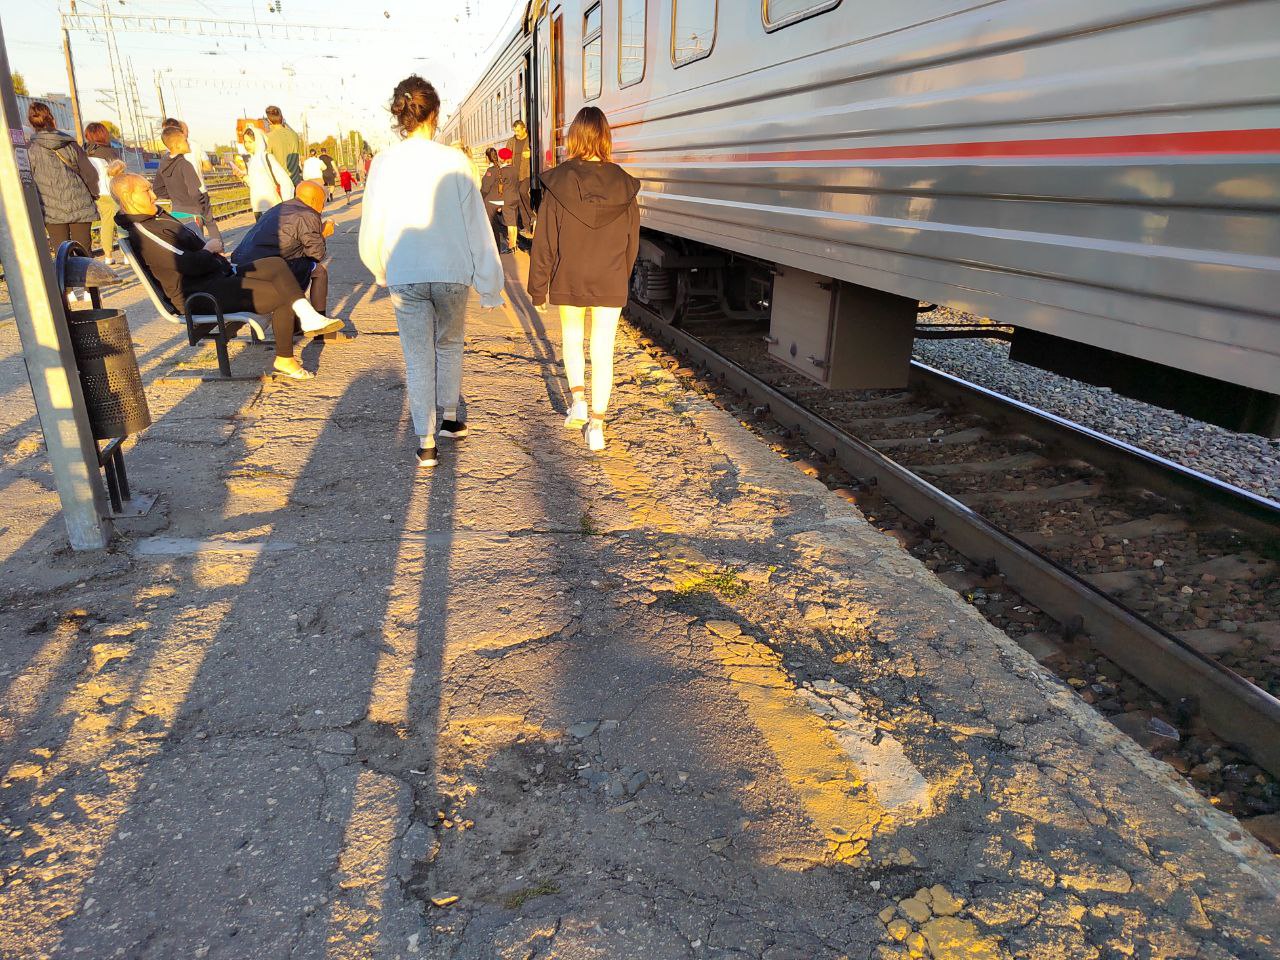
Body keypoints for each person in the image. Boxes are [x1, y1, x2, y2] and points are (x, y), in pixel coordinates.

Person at [358, 74, 504, 469]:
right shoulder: (455, 161)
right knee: (450, 343)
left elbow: (373, 222)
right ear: (434, 114)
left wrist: (380, 267)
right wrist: (490, 284)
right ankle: (451, 419)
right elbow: (477, 224)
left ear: (400, 114)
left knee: (417, 355)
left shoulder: (384, 162)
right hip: (453, 271)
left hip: (406, 271)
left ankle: (425, 443)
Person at [113, 173, 341, 379]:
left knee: (275, 264)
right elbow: (187, 264)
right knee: (282, 294)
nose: (154, 195)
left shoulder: (155, 218)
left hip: (217, 276)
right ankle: (285, 359)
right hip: (200, 293)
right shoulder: (143, 230)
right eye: (146, 191)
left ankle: (306, 315)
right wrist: (208, 249)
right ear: (127, 196)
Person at [527, 107, 640, 453]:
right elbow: (632, 241)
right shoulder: (624, 183)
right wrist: (620, 276)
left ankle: (577, 400)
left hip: (569, 275)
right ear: (605, 137)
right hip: (609, 278)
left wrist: (538, 287)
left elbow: (545, 240)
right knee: (603, 350)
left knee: (573, 338)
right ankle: (597, 426)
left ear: (574, 137)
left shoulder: (559, 182)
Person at [231, 180, 333, 317]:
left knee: (297, 262)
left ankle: (296, 324)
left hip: (242, 264)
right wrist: (323, 233)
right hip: (264, 268)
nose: (323, 208)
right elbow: (317, 255)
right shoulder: (309, 214)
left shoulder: (279, 207)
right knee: (318, 271)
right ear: (314, 200)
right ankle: (320, 326)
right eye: (323, 202)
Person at [26, 101, 98, 256]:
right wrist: (94, 194)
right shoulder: (69, 144)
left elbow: (27, 182)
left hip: (50, 209)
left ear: (31, 123)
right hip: (80, 203)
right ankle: (88, 279)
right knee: (84, 252)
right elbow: (90, 173)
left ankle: (65, 280)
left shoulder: (30, 151)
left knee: (62, 255)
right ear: (52, 119)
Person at [152, 126, 222, 244]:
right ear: (177, 145)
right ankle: (220, 253)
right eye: (185, 141)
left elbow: (157, 189)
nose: (188, 143)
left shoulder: (163, 164)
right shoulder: (185, 165)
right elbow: (195, 192)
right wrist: (200, 207)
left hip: (176, 212)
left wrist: (176, 196)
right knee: (200, 246)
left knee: (188, 247)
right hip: (193, 212)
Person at [83, 121, 125, 265]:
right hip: (113, 192)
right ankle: (126, 254)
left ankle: (108, 256)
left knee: (106, 224)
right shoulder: (109, 152)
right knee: (122, 223)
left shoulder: (85, 153)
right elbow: (120, 172)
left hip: (97, 193)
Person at [239, 125, 294, 220]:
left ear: (259, 141)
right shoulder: (252, 161)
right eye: (245, 142)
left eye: (250, 142)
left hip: (271, 207)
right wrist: (243, 177)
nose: (247, 145)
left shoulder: (266, 157)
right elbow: (256, 183)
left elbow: (286, 182)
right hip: (258, 207)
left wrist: (286, 207)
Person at [503, 119, 534, 251]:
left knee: (522, 192)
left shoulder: (530, 140)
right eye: (514, 131)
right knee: (519, 199)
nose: (516, 133)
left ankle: (532, 216)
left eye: (517, 130)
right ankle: (527, 225)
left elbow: (540, 150)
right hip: (514, 174)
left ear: (524, 129)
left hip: (526, 173)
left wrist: (531, 154)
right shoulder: (511, 141)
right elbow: (505, 155)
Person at [480, 147, 509, 254]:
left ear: (487, 158)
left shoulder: (490, 171)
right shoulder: (500, 169)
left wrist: (479, 197)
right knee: (495, 226)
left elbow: (485, 189)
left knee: (490, 227)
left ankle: (494, 249)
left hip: (490, 202)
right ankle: (497, 248)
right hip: (499, 201)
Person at [265, 106, 303, 185]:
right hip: (296, 182)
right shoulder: (294, 135)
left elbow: (267, 163)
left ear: (268, 121)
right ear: (282, 117)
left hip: (280, 185)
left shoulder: (268, 138)